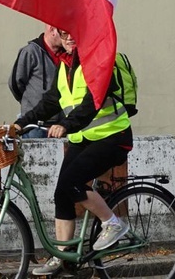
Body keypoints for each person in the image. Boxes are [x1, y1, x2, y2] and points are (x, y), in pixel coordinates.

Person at [14, 29, 136, 276]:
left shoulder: (98, 61)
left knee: (72, 183)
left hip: (112, 136)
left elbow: (94, 101)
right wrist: (19, 123)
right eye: (64, 33)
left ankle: (113, 223)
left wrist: (66, 125)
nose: (70, 37)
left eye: (75, 33)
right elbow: (50, 101)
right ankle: (63, 256)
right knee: (62, 192)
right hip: (84, 137)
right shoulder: (65, 65)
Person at [9, 24, 66, 139]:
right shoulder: (30, 52)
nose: (68, 37)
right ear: (52, 30)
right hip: (34, 125)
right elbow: (15, 84)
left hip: (60, 126)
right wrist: (31, 102)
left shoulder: (67, 55)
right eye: (63, 34)